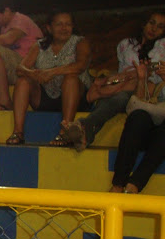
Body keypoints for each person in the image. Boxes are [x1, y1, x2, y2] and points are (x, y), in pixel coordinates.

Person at [64, 11, 165, 151]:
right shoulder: (126, 44)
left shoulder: (162, 46)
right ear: (144, 23)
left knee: (120, 96)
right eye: (151, 23)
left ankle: (83, 127)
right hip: (124, 87)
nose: (154, 29)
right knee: (115, 96)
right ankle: (84, 135)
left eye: (160, 27)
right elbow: (121, 71)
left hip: (148, 93)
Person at [5, 11, 92, 146]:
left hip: (75, 96)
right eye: (59, 24)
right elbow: (20, 69)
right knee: (23, 81)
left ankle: (65, 132)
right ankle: (18, 132)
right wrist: (34, 74)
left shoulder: (80, 42)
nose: (64, 28)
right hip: (45, 97)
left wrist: (52, 72)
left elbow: (80, 65)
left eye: (68, 24)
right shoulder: (39, 45)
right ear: (49, 28)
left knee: (71, 79)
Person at [110, 61, 165, 193]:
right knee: (138, 116)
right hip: (150, 125)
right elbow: (139, 102)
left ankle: (134, 184)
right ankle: (118, 183)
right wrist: (141, 79)